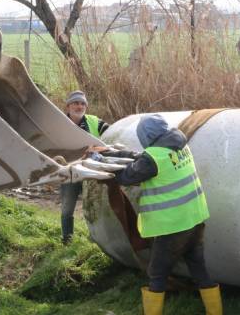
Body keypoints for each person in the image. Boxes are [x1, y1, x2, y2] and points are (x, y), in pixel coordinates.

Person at [103, 114, 222, 315]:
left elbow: (127, 176)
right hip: (195, 218)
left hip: (173, 226)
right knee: (198, 268)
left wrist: (102, 161)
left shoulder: (153, 159)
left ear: (146, 136)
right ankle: (215, 312)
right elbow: (145, 159)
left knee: (157, 274)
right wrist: (123, 154)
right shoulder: (179, 145)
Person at [60, 90, 109, 244]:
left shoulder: (94, 122)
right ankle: (67, 241)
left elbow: (112, 133)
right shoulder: (58, 124)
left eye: (82, 104)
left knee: (94, 207)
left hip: (91, 172)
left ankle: (95, 239)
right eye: (75, 103)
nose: (79, 106)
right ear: (68, 106)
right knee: (67, 209)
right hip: (70, 172)